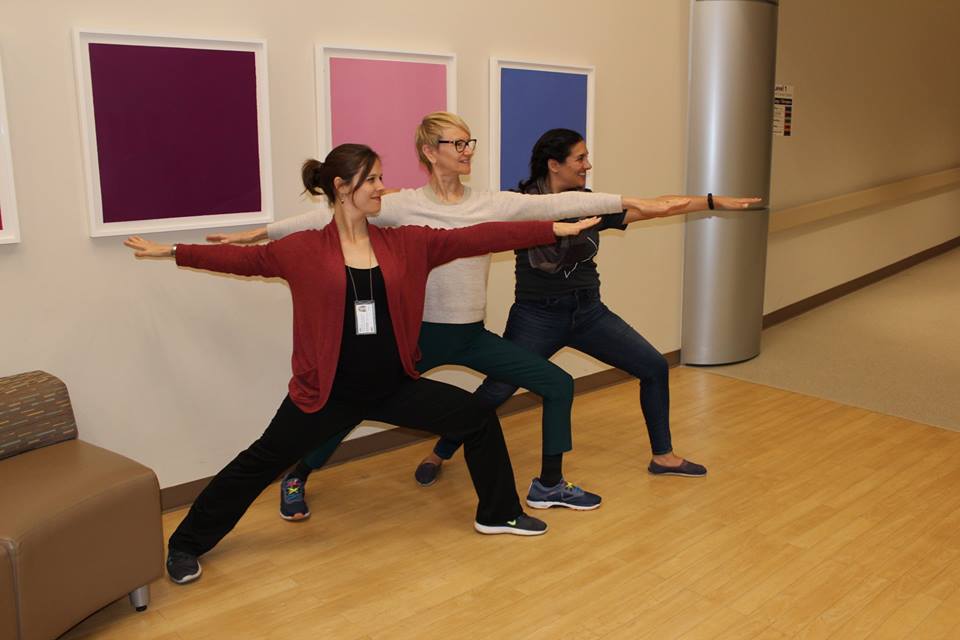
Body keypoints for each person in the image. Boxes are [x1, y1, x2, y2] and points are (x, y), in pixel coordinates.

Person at [123, 143, 603, 584]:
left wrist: (550, 228)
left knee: (476, 420)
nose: (382, 188)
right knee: (257, 463)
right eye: (372, 179)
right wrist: (171, 251)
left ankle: (498, 513)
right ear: (341, 187)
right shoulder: (303, 250)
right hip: (326, 393)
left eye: (379, 178)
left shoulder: (404, 243)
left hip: (394, 384)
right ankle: (185, 545)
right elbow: (241, 262)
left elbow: (477, 237)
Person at [211, 112, 689, 517]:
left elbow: (556, 202)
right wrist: (260, 234)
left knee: (558, 384)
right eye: (456, 143)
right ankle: (299, 474)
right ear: (428, 151)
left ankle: (548, 484)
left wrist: (625, 201)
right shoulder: (400, 205)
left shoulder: (488, 203)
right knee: (353, 402)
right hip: (420, 336)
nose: (466, 150)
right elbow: (324, 217)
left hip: (472, 335)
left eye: (469, 142)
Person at [414, 128, 761, 485]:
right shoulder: (520, 205)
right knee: (497, 389)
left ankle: (664, 456)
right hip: (537, 316)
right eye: (580, 158)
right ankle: (440, 452)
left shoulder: (590, 202)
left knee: (654, 367)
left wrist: (712, 200)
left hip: (588, 313)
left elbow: (655, 206)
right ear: (554, 165)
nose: (587, 165)